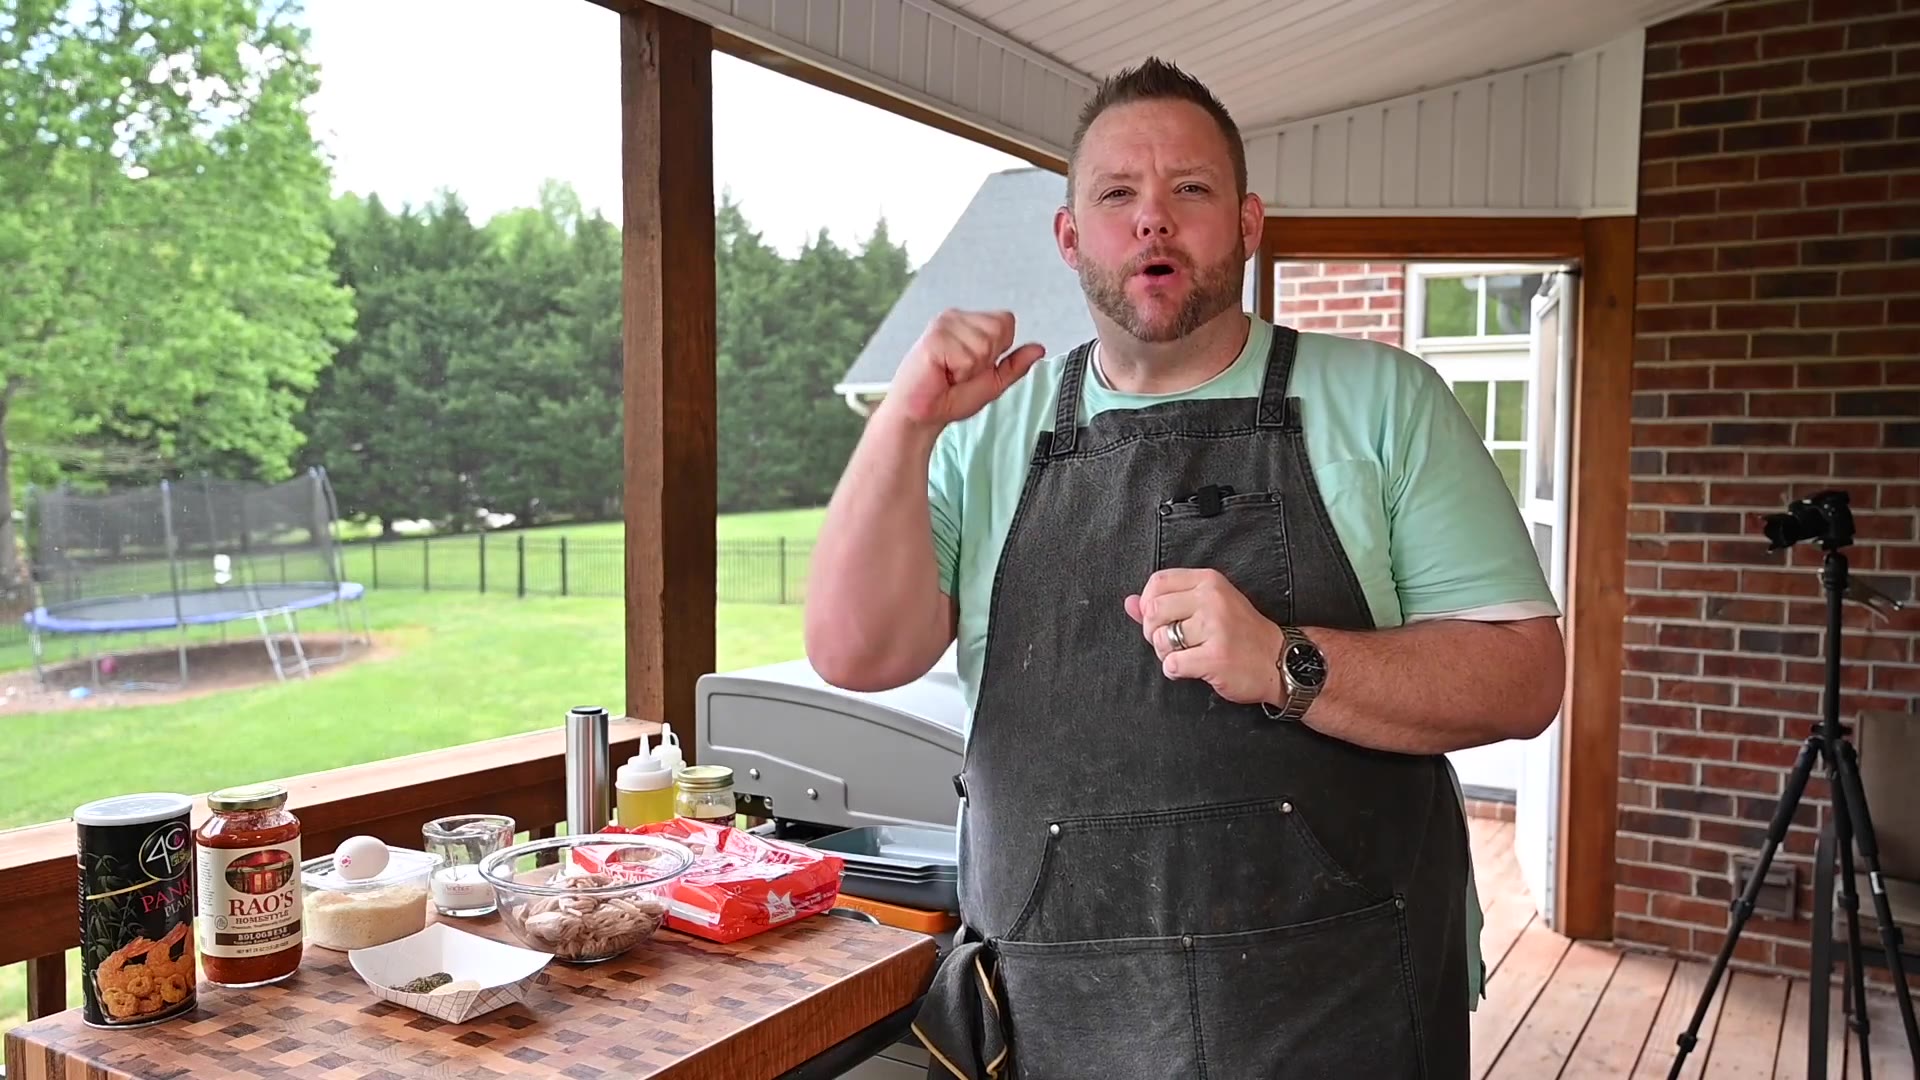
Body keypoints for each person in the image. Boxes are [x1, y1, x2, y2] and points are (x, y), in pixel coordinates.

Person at [805, 55, 1565, 1080]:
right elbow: (855, 651)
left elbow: (1522, 677)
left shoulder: (1385, 402)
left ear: (1248, 223)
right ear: (1071, 237)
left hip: (1338, 1006)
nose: (1151, 220)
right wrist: (902, 423)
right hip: (1056, 1007)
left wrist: (1289, 663)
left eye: (1190, 190)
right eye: (1117, 195)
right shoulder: (985, 431)